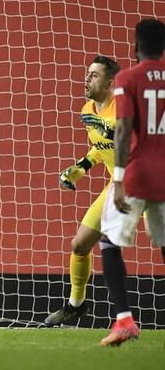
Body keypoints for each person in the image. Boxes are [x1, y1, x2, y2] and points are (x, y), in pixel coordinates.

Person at [98, 18, 165, 347]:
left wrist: (120, 179)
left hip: (137, 175)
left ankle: (124, 320)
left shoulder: (128, 78)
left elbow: (123, 129)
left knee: (108, 241)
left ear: (135, 47)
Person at [44, 56, 120, 327]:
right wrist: (78, 169)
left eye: (95, 75)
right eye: (88, 74)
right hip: (118, 184)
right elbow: (100, 149)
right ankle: (75, 306)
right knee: (79, 244)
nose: (87, 79)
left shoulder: (124, 109)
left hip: (148, 184)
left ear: (110, 84)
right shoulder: (87, 110)